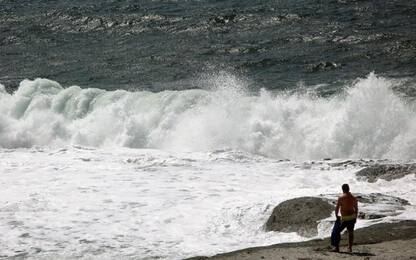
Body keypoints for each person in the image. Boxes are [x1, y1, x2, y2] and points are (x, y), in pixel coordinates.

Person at [332, 184, 358, 253]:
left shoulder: (341, 198)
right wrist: (356, 217)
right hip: (352, 217)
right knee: (350, 232)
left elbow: (337, 208)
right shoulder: (353, 198)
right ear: (349, 189)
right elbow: (356, 208)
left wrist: (336, 216)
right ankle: (349, 248)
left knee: (337, 231)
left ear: (343, 189)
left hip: (345, 218)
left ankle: (336, 248)